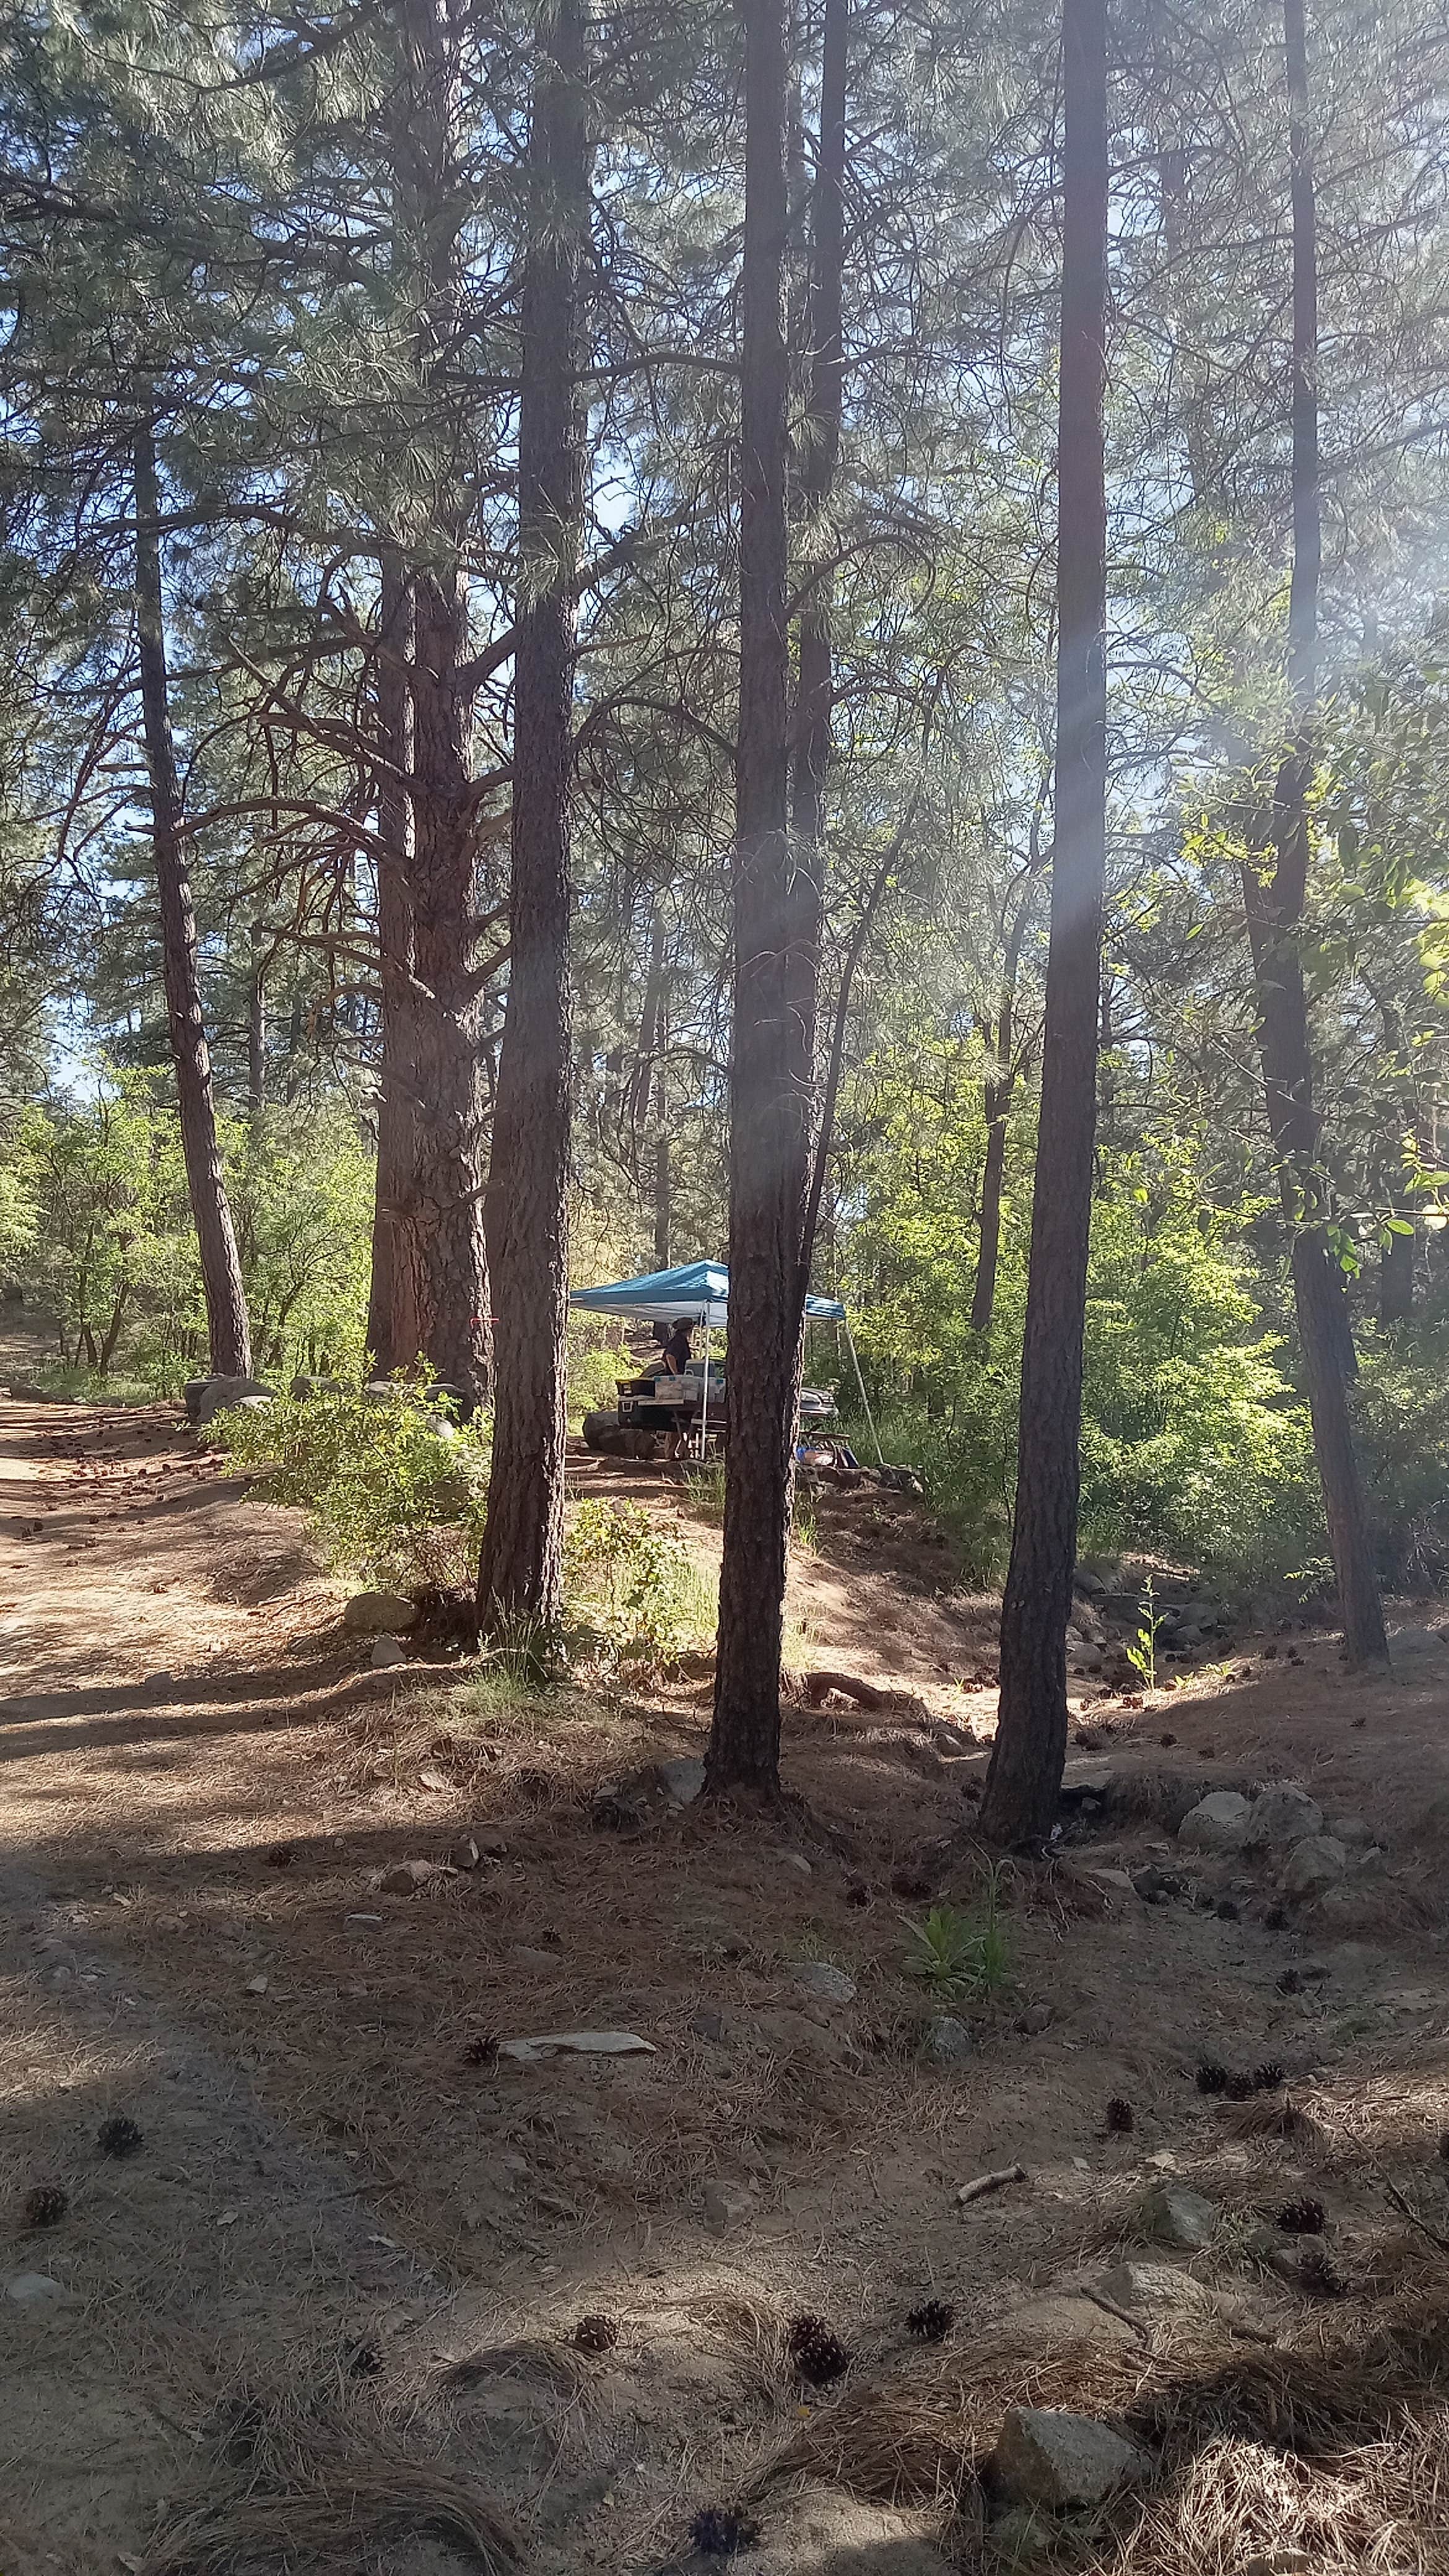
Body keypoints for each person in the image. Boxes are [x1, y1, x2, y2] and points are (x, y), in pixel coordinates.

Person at [659, 1316, 694, 1460]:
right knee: (678, 1418)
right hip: (673, 1384)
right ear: (689, 1329)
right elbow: (670, 1357)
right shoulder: (678, 1342)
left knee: (679, 1419)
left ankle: (678, 1451)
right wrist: (677, 1375)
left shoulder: (679, 1341)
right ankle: (672, 1452)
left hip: (673, 1383)